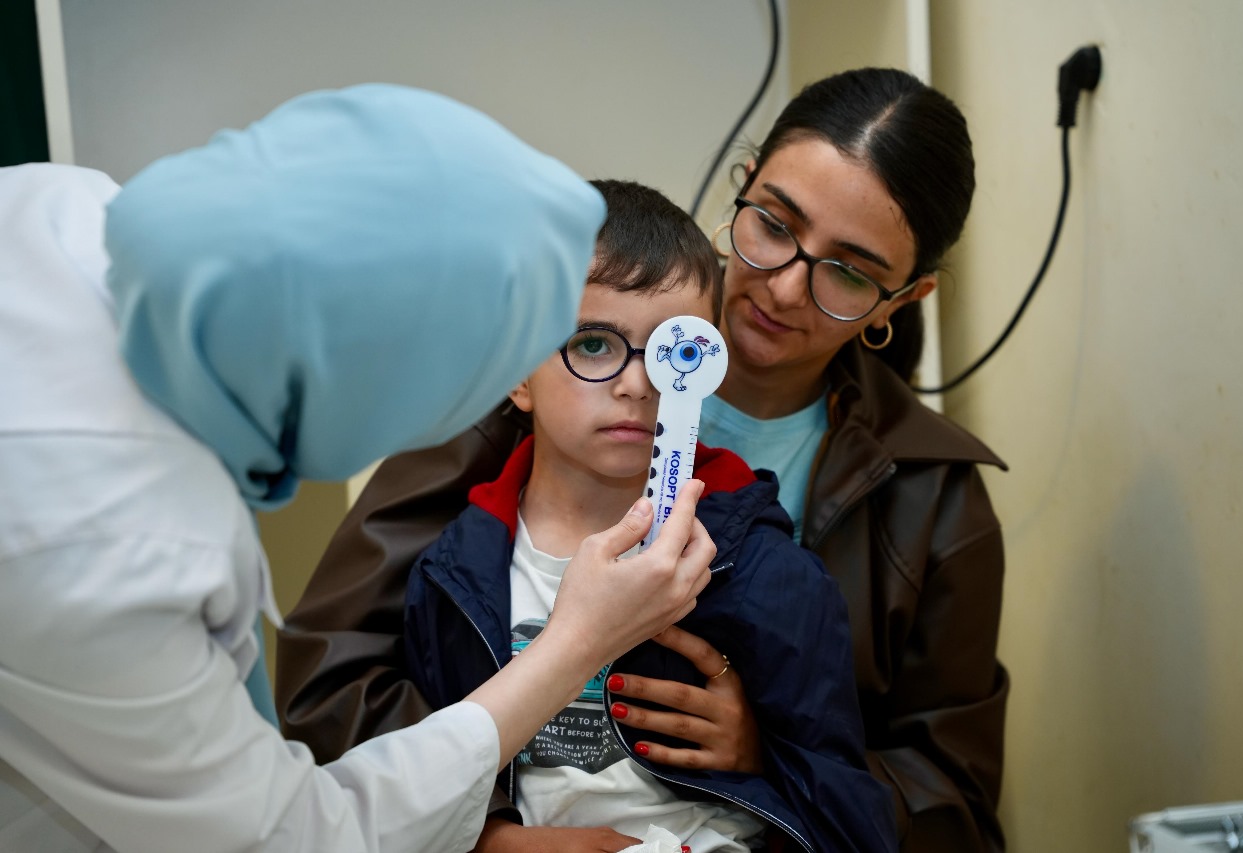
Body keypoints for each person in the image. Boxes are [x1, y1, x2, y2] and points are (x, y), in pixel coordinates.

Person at [278, 68, 1009, 851]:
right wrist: (488, 831)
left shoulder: (933, 498)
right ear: (743, 187)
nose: (786, 288)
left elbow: (954, 803)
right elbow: (331, 679)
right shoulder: (533, 372)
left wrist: (768, 759)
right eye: (773, 224)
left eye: (849, 271)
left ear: (903, 299)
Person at [0, 85, 717, 853]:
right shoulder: (111, 552)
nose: (634, 385)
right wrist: (575, 643)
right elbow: (292, 839)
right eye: (584, 347)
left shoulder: (60, 210)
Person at [401, 179, 896, 853]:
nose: (637, 384)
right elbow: (415, 790)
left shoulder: (766, 573)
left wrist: (761, 753)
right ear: (517, 370)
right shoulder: (452, 575)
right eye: (593, 345)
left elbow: (843, 811)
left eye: (674, 351)